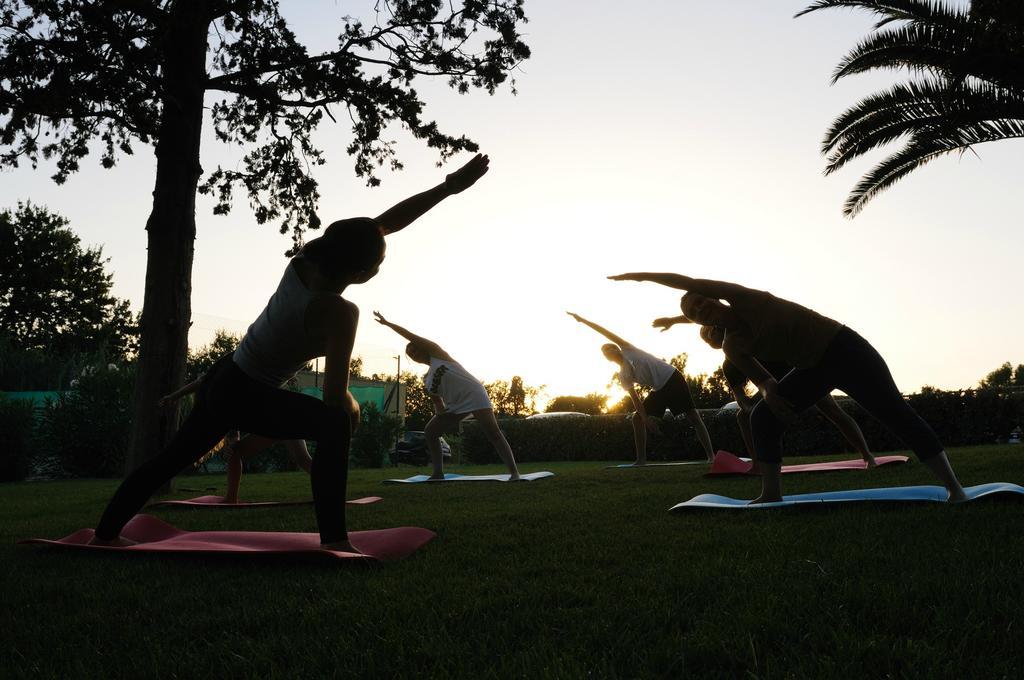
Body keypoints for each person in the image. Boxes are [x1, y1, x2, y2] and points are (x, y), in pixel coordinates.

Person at [89, 153, 493, 549]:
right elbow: (335, 398)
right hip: (245, 393)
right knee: (335, 424)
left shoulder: (304, 262)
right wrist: (352, 410)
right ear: (362, 275)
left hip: (224, 377)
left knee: (170, 460)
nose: (383, 260)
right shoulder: (339, 312)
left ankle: (105, 533)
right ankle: (335, 539)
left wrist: (447, 188)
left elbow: (382, 225)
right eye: (380, 262)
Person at [610, 271, 967, 503]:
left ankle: (954, 488)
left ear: (714, 297)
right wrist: (771, 394)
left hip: (845, 348)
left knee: (895, 412)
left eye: (702, 301)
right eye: (694, 313)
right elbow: (764, 381)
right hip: (813, 368)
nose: (701, 309)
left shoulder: (745, 298)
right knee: (763, 417)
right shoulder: (733, 346)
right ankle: (771, 494)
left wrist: (645, 278)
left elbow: (689, 281)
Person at [654, 320, 876, 468]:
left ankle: (867, 456)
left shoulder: (751, 337)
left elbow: (708, 310)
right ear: (712, 345)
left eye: (714, 327)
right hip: (775, 392)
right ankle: (759, 465)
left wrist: (675, 320)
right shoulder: (730, 365)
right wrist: (756, 411)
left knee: (832, 410)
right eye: (709, 334)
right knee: (743, 415)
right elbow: (741, 400)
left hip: (801, 375)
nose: (712, 331)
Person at [373, 311, 522, 481]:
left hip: (474, 394)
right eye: (411, 354)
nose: (414, 354)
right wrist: (441, 416)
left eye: (415, 349)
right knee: (430, 432)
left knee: (493, 433)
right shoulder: (427, 379)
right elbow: (438, 403)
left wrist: (388, 323)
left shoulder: (438, 354)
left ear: (422, 348)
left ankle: (514, 473)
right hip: (455, 405)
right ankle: (438, 473)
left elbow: (410, 335)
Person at [565, 312, 715, 466]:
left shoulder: (629, 349)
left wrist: (582, 320)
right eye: (604, 351)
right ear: (606, 358)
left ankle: (711, 457)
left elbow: (604, 331)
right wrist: (646, 419)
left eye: (609, 347)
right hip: (658, 388)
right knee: (637, 418)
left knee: (693, 416)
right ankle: (641, 460)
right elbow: (635, 398)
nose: (607, 351)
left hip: (672, 377)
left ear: (617, 349)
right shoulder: (623, 375)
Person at [159, 377, 314, 503]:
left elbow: (202, 382)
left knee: (237, 451)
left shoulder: (223, 393)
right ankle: (335, 488)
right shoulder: (226, 386)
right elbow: (202, 382)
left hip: (278, 419)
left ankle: (231, 498)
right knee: (302, 458)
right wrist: (174, 396)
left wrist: (173, 396)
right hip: (285, 416)